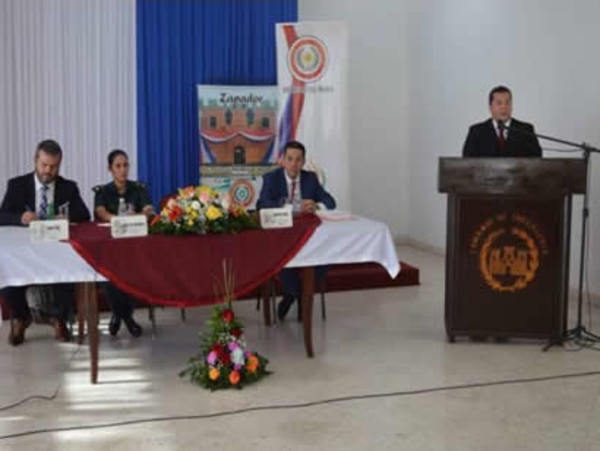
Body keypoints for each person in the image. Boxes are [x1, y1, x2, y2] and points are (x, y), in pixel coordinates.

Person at [0, 139, 90, 346]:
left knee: (69, 265)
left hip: (54, 249)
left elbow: (84, 215)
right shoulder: (17, 185)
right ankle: (22, 317)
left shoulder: (68, 187)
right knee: (5, 267)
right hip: (24, 250)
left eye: (54, 166)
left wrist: (67, 217)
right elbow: (2, 215)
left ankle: (59, 318)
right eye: (44, 165)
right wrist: (20, 218)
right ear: (35, 161)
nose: (48, 171)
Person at [257, 140, 336, 321]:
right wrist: (287, 205)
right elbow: (262, 204)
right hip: (282, 234)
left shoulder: (310, 178)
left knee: (325, 253)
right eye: (290, 159)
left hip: (307, 234)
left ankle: (294, 295)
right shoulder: (272, 178)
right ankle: (297, 295)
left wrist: (316, 204)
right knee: (283, 256)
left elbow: (331, 202)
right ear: (283, 160)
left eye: (298, 160)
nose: (294, 164)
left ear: (303, 162)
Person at [93, 149, 154, 338]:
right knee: (108, 276)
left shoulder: (138, 188)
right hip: (111, 248)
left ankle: (119, 317)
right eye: (118, 166)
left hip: (135, 247)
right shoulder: (103, 191)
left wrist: (134, 217)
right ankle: (126, 318)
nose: (123, 170)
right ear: (110, 169)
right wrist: (121, 220)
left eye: (126, 165)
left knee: (135, 272)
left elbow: (149, 210)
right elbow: (101, 212)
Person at [462, 85, 542, 157]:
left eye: (507, 103)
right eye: (499, 103)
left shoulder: (525, 130)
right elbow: (468, 162)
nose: (504, 107)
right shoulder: (476, 132)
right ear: (490, 107)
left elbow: (537, 160)